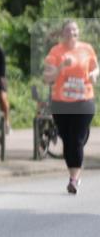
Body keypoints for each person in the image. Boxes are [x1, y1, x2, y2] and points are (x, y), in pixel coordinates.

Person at [42, 19, 98, 194]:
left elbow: (96, 68)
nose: (71, 34)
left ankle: (74, 179)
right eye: (68, 31)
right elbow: (47, 78)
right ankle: (73, 169)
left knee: (76, 139)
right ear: (62, 34)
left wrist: (94, 74)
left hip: (84, 101)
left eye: (74, 31)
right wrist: (60, 67)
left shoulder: (87, 49)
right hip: (61, 103)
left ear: (78, 33)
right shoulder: (55, 52)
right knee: (67, 139)